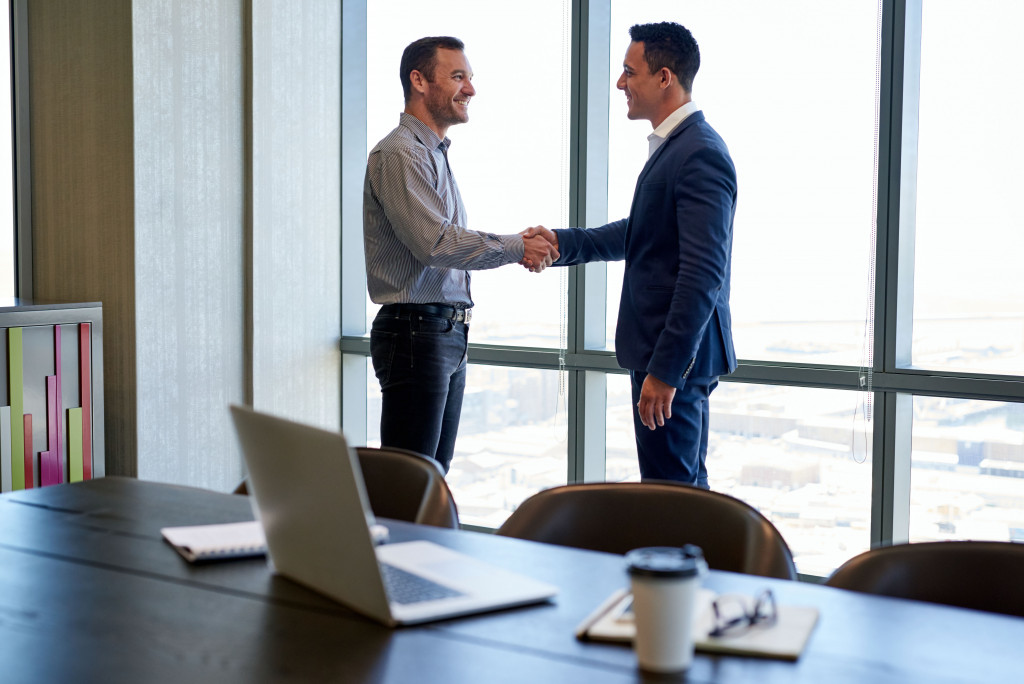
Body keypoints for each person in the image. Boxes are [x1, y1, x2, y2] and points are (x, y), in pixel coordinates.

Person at [529, 22, 737, 487]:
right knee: (676, 490)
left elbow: (703, 273)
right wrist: (564, 243)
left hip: (672, 360)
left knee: (673, 495)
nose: (620, 83)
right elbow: (643, 233)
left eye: (629, 71)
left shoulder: (698, 153)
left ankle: (684, 561)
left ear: (664, 77)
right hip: (664, 356)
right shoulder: (676, 149)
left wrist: (666, 371)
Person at [363, 36, 558, 473]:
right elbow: (436, 244)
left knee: (432, 475)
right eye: (457, 76)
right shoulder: (400, 153)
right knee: (409, 482)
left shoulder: (433, 154)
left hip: (443, 332)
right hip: (416, 331)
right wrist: (517, 246)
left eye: (469, 78)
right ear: (418, 81)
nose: (470, 88)